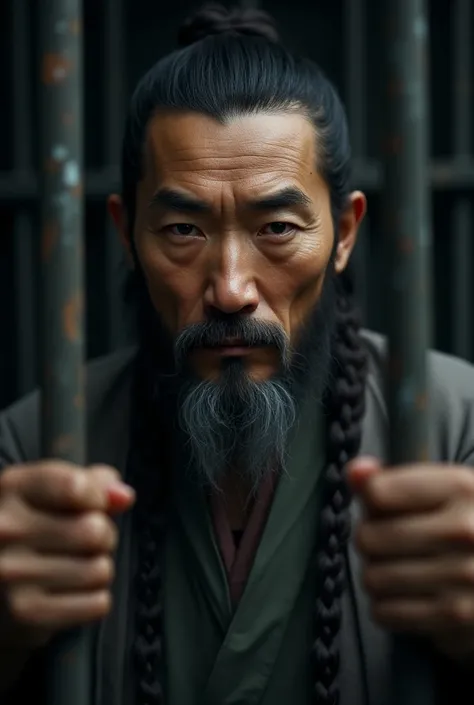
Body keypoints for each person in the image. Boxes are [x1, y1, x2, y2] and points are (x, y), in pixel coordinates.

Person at [1, 5, 474, 705]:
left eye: (277, 227)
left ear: (344, 232)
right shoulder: (37, 449)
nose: (229, 288)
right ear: (125, 232)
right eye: (184, 229)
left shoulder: (456, 426)